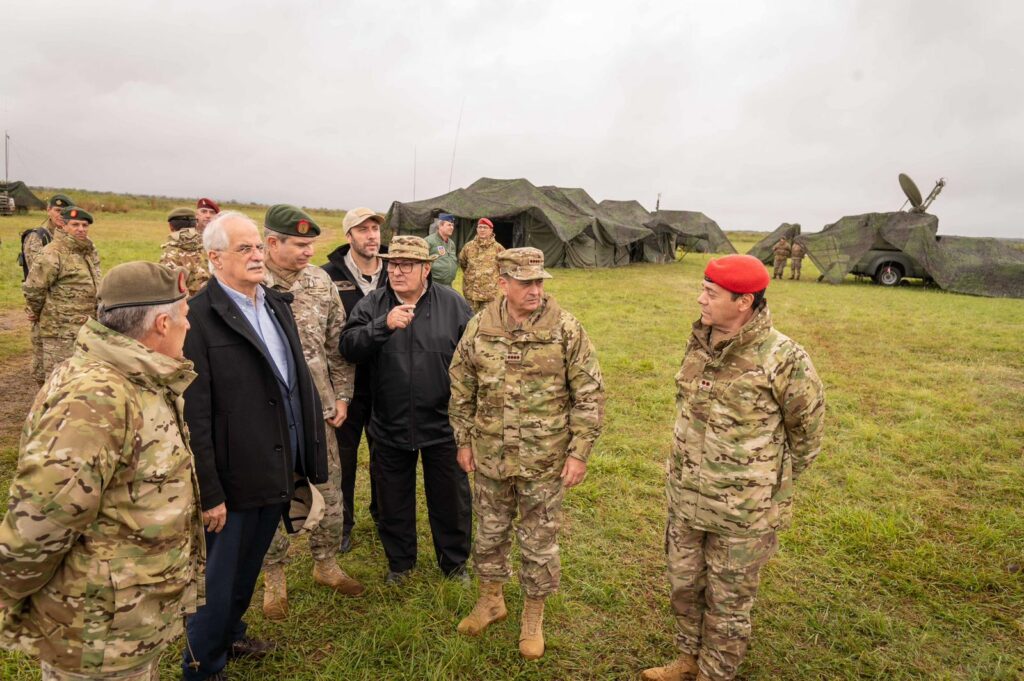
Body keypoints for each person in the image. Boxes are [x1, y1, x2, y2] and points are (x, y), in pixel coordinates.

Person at [0, 261, 204, 681]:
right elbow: (40, 522)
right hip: (95, 635)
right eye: (185, 317)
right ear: (162, 324)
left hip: (126, 623)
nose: (189, 327)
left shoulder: (136, 376)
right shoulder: (97, 397)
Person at [641, 254, 825, 681]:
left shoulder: (784, 358)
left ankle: (714, 673)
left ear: (744, 302)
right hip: (687, 497)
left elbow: (808, 433)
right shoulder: (702, 342)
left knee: (728, 604)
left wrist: (762, 484)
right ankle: (688, 658)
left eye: (711, 292)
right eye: (703, 288)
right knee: (684, 586)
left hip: (743, 513)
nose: (700, 299)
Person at [180, 211, 329, 681]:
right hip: (232, 475)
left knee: (247, 570)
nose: (256, 256)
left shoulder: (274, 303)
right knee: (217, 581)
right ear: (214, 257)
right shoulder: (199, 317)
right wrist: (211, 490)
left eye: (257, 248)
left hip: (277, 465)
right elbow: (195, 414)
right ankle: (203, 665)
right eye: (244, 249)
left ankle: (230, 634)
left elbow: (292, 382)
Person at [449, 247, 606, 660]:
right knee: (490, 533)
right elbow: (462, 384)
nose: (535, 289)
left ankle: (532, 616)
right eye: (526, 282)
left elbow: (589, 393)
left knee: (539, 540)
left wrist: (579, 452)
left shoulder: (566, 329)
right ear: (503, 284)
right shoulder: (480, 326)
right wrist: (463, 439)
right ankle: (491, 601)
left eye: (539, 281)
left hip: (544, 458)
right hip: (490, 453)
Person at [340, 235, 473, 584]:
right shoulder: (373, 304)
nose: (397, 271)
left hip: (443, 422)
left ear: (426, 269)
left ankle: (454, 563)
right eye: (393, 264)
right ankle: (400, 564)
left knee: (450, 498)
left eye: (407, 265)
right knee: (393, 498)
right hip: (389, 421)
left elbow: (473, 356)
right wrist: (382, 326)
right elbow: (348, 346)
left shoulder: (453, 304)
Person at [259, 204, 364, 621]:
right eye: (299, 244)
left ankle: (326, 564)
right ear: (272, 243)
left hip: (319, 408)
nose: (308, 252)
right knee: (273, 492)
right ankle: (274, 579)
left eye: (311, 244)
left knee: (330, 486)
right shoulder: (250, 281)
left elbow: (338, 345)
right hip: (269, 411)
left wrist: (342, 396)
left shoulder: (321, 281)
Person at [321, 207, 389, 553]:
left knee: (385, 455)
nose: (371, 236)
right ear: (349, 235)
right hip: (345, 385)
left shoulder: (397, 271)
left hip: (388, 382)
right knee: (343, 457)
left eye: (375, 228)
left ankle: (383, 516)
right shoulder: (326, 276)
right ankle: (343, 523)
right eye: (363, 230)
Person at [22, 206, 101, 385]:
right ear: (64, 226)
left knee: (81, 380)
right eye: (75, 224)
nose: (81, 229)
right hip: (60, 332)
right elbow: (34, 289)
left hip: (86, 328)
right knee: (58, 382)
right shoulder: (53, 252)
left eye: (84, 225)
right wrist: (36, 311)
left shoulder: (88, 250)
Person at [18, 193, 73, 279]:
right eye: (57, 210)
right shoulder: (37, 237)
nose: (61, 215)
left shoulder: (74, 237)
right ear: (48, 210)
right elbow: (38, 274)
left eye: (66, 211)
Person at [160, 207, 211, 296]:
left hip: (185, 306)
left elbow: (166, 289)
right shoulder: (210, 248)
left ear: (171, 226)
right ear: (196, 224)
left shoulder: (170, 254)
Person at [458, 217, 505, 313]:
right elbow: (462, 263)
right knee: (469, 320)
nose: (482, 230)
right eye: (480, 227)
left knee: (486, 322)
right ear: (477, 229)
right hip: (470, 293)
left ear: (491, 230)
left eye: (485, 227)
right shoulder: (468, 246)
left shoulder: (498, 248)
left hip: (489, 294)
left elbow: (505, 266)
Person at [426, 212, 459, 287]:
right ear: (440, 226)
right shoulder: (429, 241)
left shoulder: (452, 243)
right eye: (449, 225)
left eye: (453, 225)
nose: (452, 227)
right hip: (434, 283)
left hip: (448, 284)